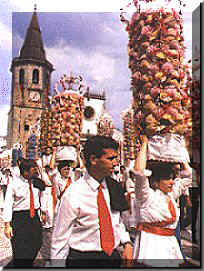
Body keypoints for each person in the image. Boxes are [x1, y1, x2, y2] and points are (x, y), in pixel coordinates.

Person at [50, 135, 133, 268]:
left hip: (112, 258)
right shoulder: (73, 194)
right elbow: (60, 239)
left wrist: (127, 242)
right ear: (93, 159)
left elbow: (116, 220)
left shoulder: (114, 187)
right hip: (83, 259)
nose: (116, 163)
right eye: (110, 158)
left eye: (116, 158)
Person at [131, 135, 192, 267]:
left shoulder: (170, 195)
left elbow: (188, 175)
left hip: (170, 244)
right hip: (152, 247)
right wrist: (145, 144)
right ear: (155, 182)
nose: (172, 182)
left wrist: (178, 150)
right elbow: (139, 172)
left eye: (172, 178)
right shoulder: (146, 197)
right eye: (167, 179)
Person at [3, 159, 47, 268]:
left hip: (34, 217)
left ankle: (27, 262)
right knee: (20, 246)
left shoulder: (37, 182)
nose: (37, 171)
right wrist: (7, 225)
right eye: (34, 169)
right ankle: (22, 266)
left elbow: (43, 196)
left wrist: (43, 211)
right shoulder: (14, 184)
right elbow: (8, 204)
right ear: (25, 171)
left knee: (37, 241)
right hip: (19, 218)